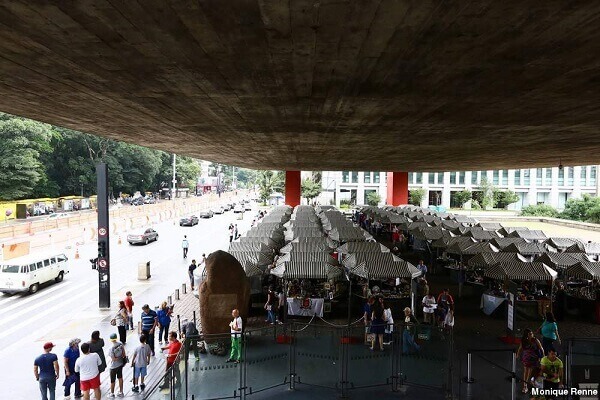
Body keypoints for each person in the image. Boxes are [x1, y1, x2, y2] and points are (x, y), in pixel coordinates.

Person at [517, 328, 544, 394]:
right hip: (526, 358)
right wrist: (517, 355)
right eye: (530, 334)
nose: (532, 335)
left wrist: (543, 357)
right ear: (527, 335)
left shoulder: (535, 340)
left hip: (534, 358)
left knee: (531, 371)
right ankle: (525, 386)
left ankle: (529, 383)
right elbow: (520, 348)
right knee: (526, 371)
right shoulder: (523, 341)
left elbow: (541, 348)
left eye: (532, 333)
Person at [107, 333, 126, 397]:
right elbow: (124, 354)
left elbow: (113, 359)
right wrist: (120, 358)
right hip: (120, 364)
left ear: (111, 339)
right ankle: (121, 392)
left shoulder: (111, 348)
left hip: (113, 366)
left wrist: (116, 358)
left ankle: (112, 393)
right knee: (120, 378)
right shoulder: (120, 344)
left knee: (112, 380)